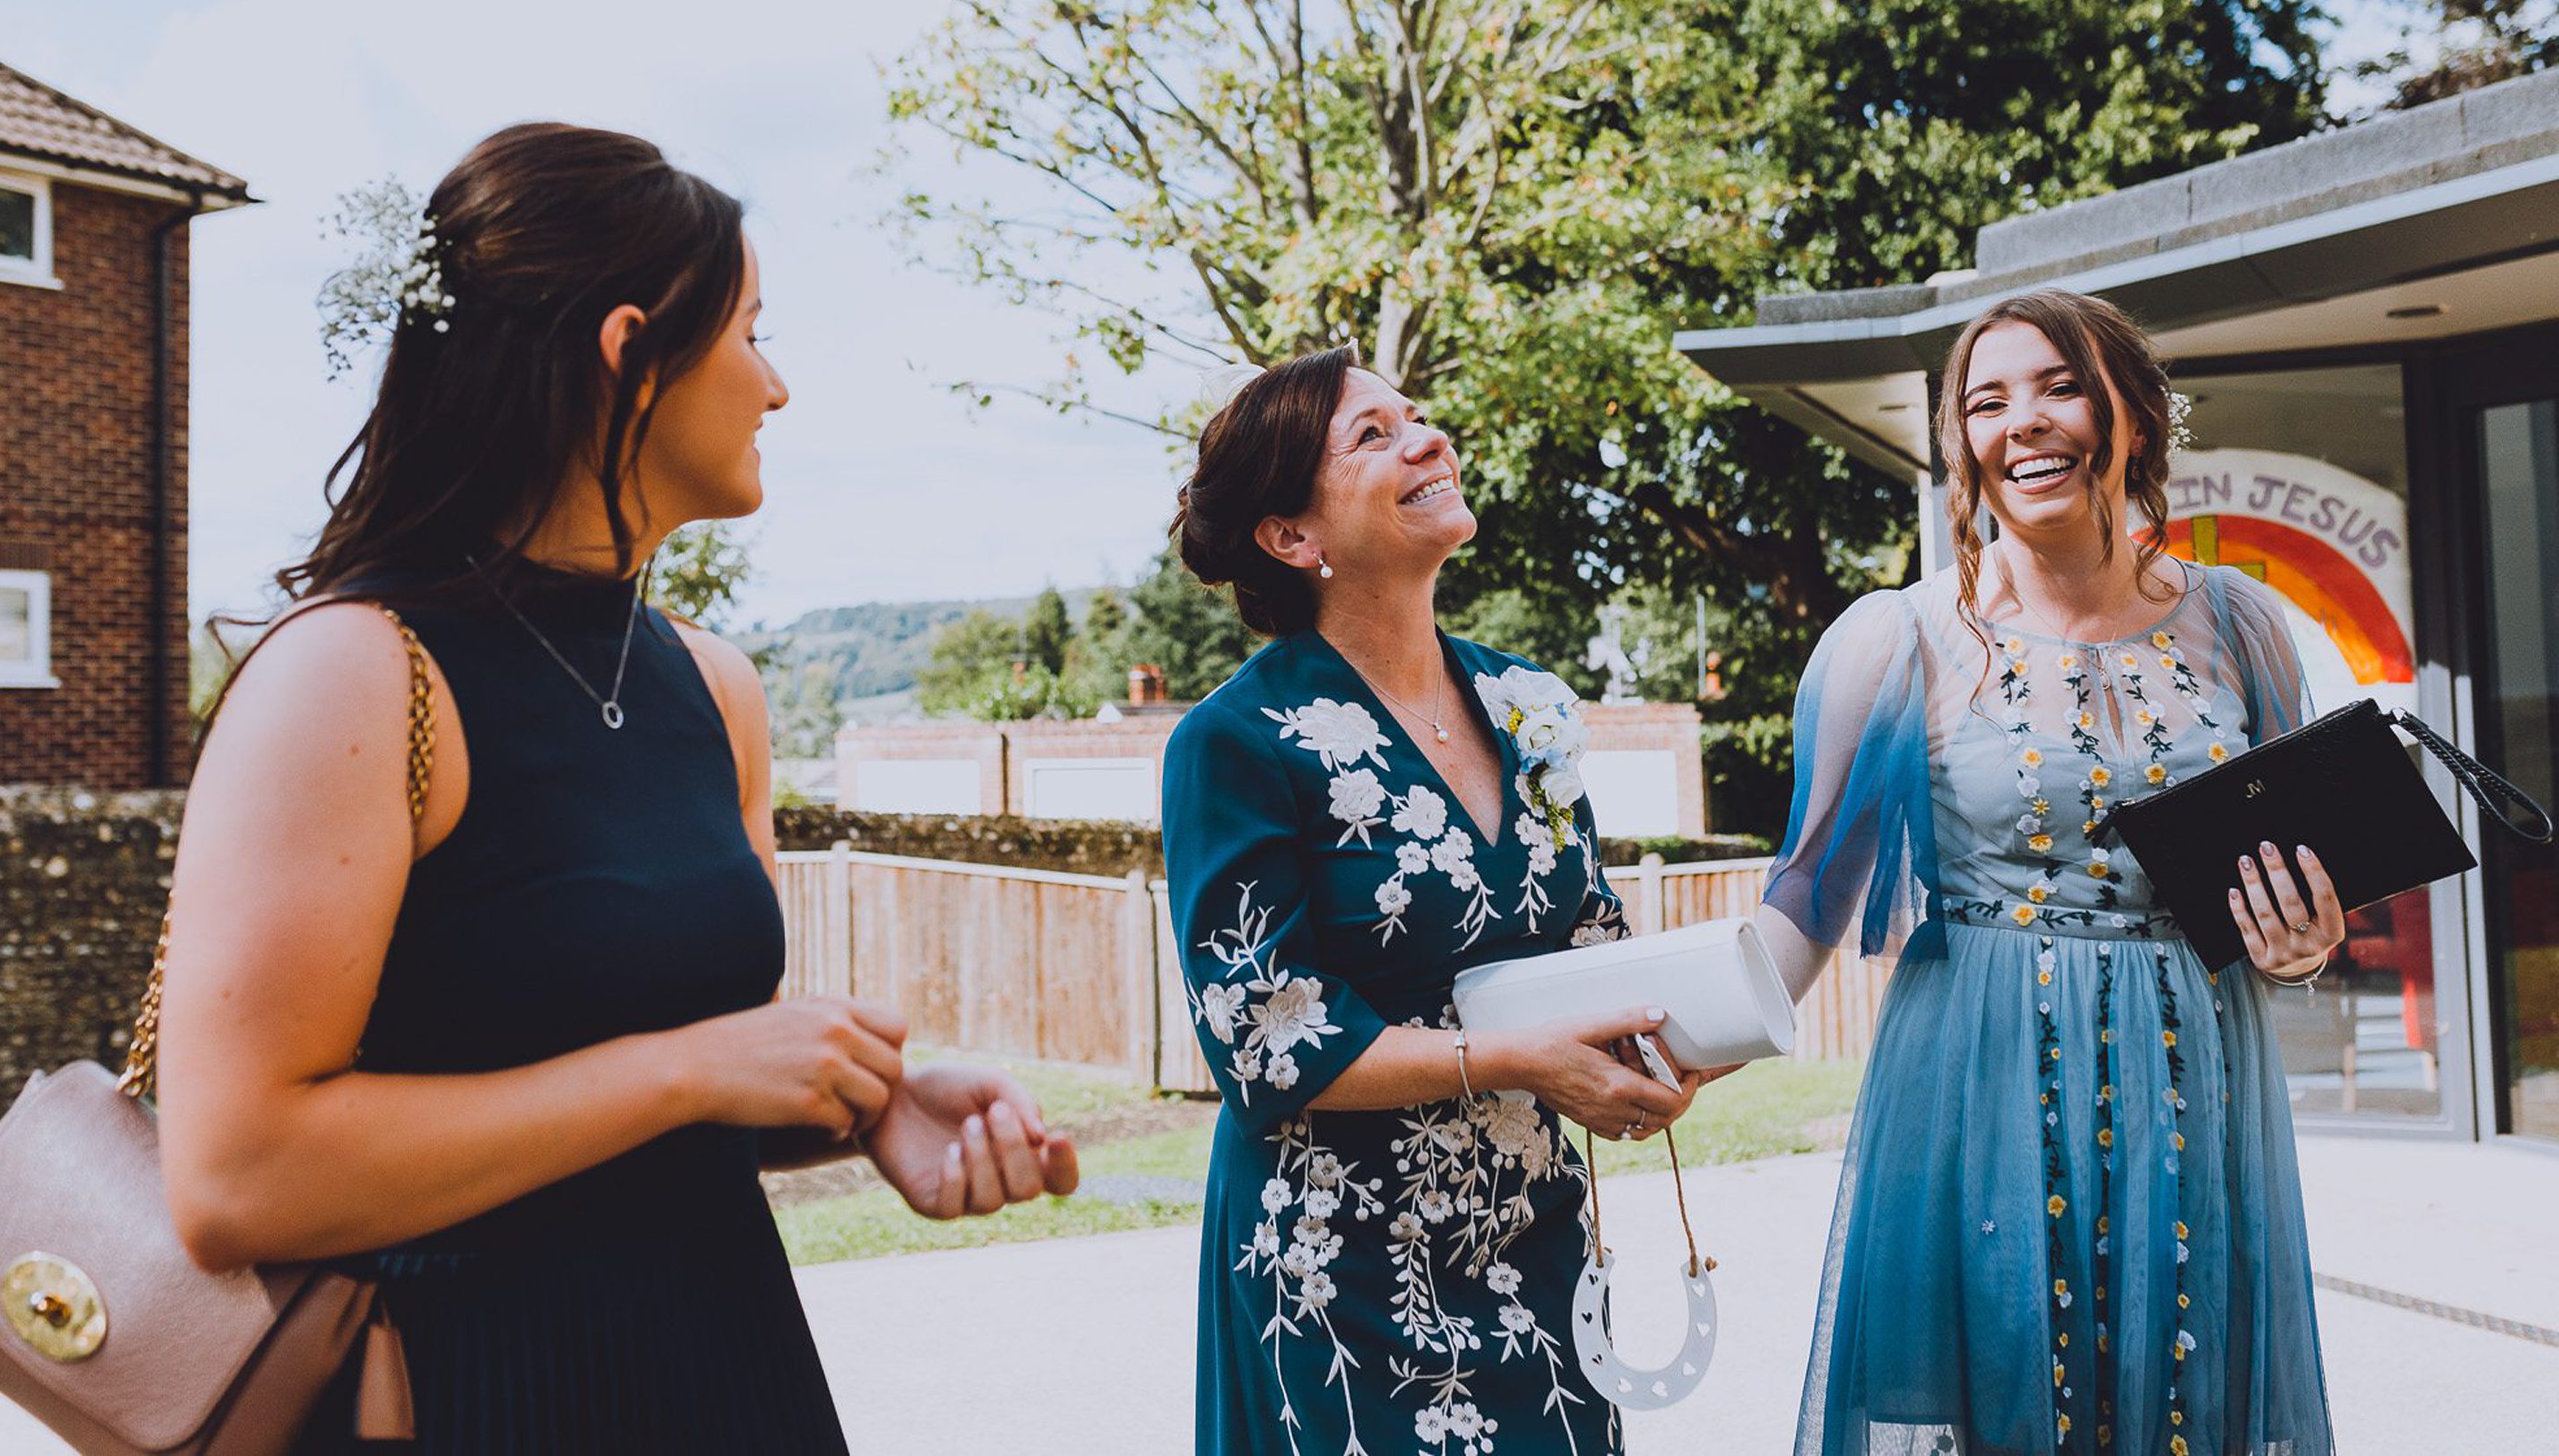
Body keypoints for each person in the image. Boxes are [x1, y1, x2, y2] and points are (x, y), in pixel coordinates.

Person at [156, 122, 1079, 1453]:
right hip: (468, 1392)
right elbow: (235, 1177)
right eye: (753, 331)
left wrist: (869, 1112)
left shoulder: (716, 687)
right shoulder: (357, 676)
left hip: (721, 1364)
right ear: (630, 353)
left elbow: (663, 1089)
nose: (777, 387)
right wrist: (691, 1070)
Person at [1745, 288, 2341, 1456]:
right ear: (1960, 445)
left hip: (2195, 1083)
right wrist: (1668, 1039)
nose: (2023, 420)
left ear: (2133, 414)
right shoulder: (1896, 639)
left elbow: (2298, 884)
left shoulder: (2248, 625)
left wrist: (2305, 946)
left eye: (2060, 385)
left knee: (2190, 1404)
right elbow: (1806, 899)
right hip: (1979, 1082)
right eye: (1985, 400)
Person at [1161, 347, 1704, 1456]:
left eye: (1419, 416)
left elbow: (1590, 945)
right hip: (1341, 1266)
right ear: (1292, 536)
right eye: (1373, 435)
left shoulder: (1528, 705)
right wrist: (1515, 1059)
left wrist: (1685, 1036)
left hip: (1535, 1239)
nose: (1428, 438)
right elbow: (1268, 1041)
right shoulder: (1234, 743)